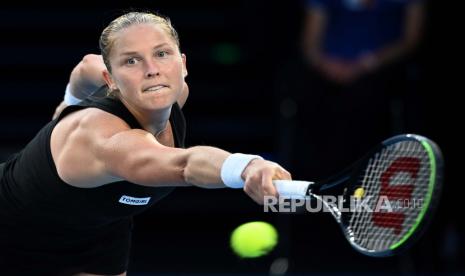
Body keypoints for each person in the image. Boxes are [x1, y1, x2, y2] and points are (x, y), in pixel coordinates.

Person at [0, 11, 292, 275]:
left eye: (163, 54)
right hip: (11, 232)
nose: (152, 69)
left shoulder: (172, 92)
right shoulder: (103, 139)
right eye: (131, 60)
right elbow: (184, 165)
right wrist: (246, 166)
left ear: (183, 63)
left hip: (99, 233)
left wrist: (67, 104)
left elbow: (86, 66)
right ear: (110, 79)